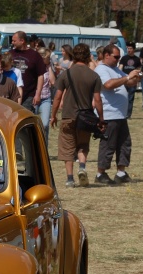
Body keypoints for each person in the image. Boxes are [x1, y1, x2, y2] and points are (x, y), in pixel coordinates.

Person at [50, 43, 104, 188]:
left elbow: (57, 97)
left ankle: (69, 179)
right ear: (88, 56)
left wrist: (53, 115)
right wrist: (101, 118)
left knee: (67, 147)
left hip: (68, 115)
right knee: (83, 145)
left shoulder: (65, 74)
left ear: (73, 56)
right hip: (85, 117)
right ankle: (82, 168)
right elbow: (98, 99)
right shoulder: (94, 76)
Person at [94, 43, 139, 186]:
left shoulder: (115, 69)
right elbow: (107, 85)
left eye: (119, 57)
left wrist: (136, 77)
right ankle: (100, 173)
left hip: (120, 115)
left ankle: (121, 172)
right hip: (109, 114)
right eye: (116, 57)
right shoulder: (101, 69)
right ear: (106, 55)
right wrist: (127, 78)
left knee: (124, 144)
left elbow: (129, 82)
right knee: (108, 145)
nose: (118, 59)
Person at [10, 31, 47, 113]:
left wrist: (38, 94)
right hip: (12, 94)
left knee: (25, 118)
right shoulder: (10, 54)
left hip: (28, 95)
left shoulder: (34, 55)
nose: (12, 43)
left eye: (14, 41)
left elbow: (41, 75)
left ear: (22, 41)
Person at [119, 42, 142, 118]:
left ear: (134, 49)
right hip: (125, 80)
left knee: (130, 98)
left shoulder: (137, 59)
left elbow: (139, 70)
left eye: (130, 48)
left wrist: (138, 79)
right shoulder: (124, 58)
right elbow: (120, 67)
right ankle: (123, 112)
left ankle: (128, 114)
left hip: (133, 81)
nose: (129, 50)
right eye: (128, 48)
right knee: (123, 97)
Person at [38, 47, 56, 141]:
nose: (49, 59)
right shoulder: (35, 67)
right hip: (35, 98)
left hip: (46, 98)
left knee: (45, 124)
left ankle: (44, 148)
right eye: (47, 58)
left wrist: (49, 67)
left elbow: (53, 82)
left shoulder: (48, 67)